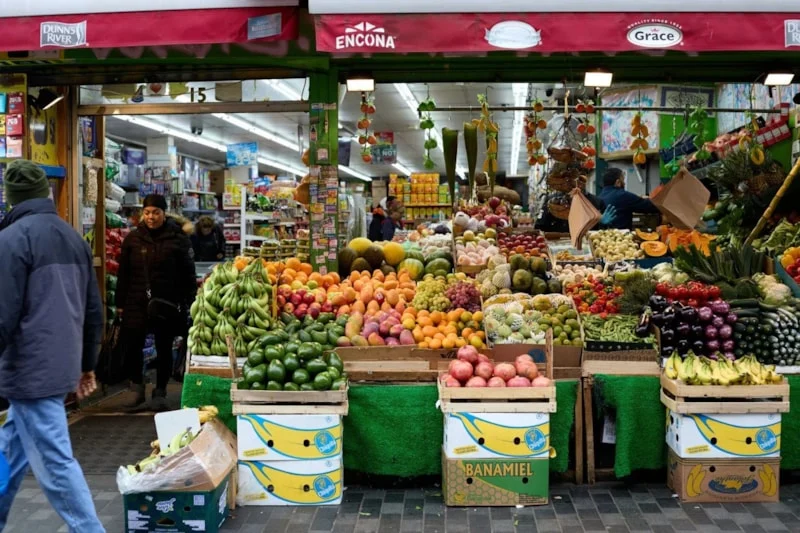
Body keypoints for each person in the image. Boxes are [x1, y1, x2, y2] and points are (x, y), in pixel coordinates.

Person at [0, 160, 105, 532]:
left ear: (10, 198)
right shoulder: (72, 236)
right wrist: (87, 363)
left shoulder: (11, 240)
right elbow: (95, 309)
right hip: (57, 366)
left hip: (30, 370)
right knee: (9, 453)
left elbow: (2, 314)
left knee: (56, 464)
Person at [117, 194, 197, 411]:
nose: (151, 217)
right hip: (136, 300)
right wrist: (120, 302)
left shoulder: (178, 238)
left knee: (164, 345)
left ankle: (160, 390)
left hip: (167, 301)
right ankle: (137, 388)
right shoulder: (133, 239)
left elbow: (188, 273)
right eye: (147, 212)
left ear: (164, 213)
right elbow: (123, 272)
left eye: (155, 212)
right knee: (133, 344)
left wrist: (189, 300)